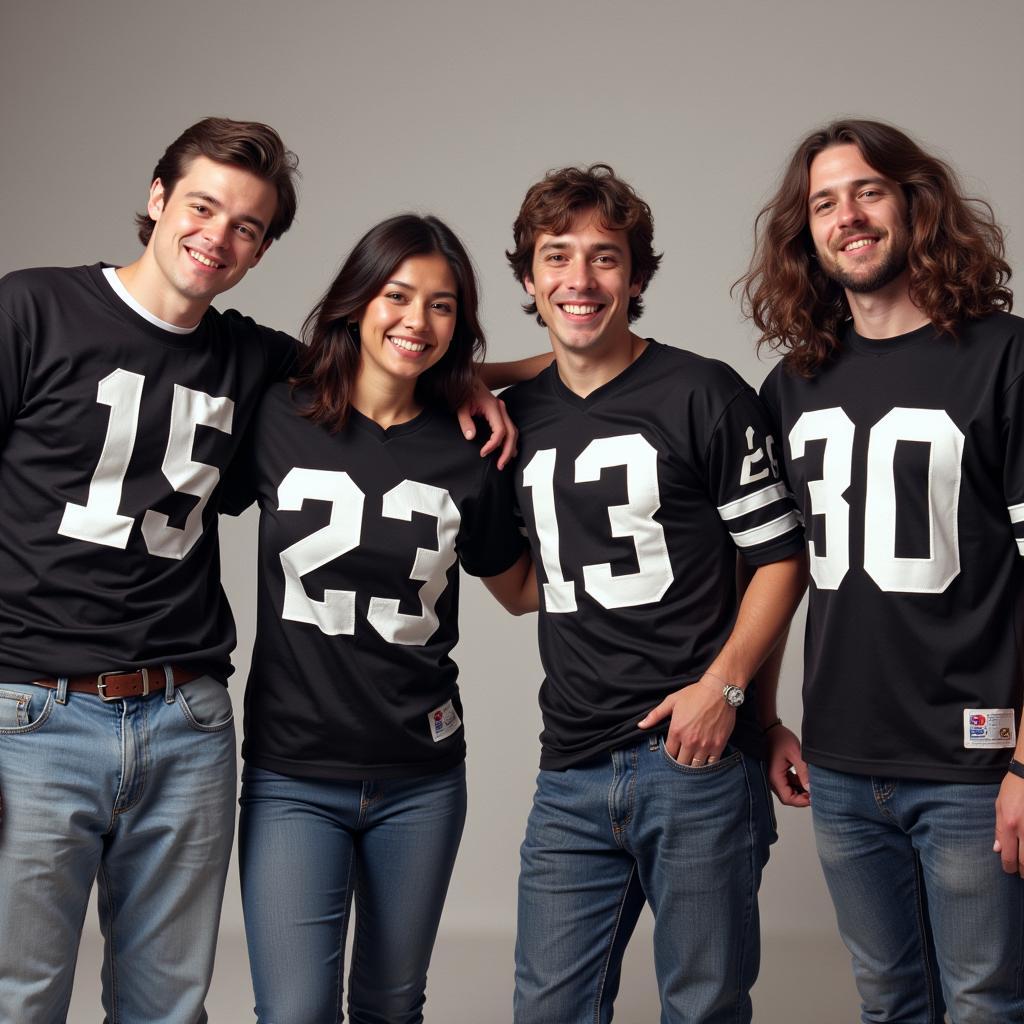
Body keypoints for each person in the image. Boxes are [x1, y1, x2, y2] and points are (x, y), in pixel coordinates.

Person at [0, 119, 514, 1024]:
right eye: (203, 206)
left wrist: (467, 377)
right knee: (22, 991)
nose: (219, 235)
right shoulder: (31, 310)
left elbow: (388, 363)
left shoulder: (257, 363)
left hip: (187, 716)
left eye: (248, 226)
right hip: (35, 708)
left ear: (265, 246)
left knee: (168, 1003)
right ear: (158, 199)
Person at [493, 164, 807, 1023]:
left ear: (636, 276)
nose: (580, 280)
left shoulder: (701, 392)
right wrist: (461, 383)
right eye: (557, 258)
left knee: (703, 1007)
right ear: (528, 277)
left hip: (695, 757)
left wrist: (727, 691)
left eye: (605, 258)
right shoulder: (517, 416)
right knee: (548, 1007)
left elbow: (781, 558)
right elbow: (525, 592)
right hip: (572, 764)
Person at [739, 117, 1024, 1022]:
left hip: (974, 764)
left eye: (868, 191)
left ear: (913, 203)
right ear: (806, 234)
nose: (848, 217)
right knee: (889, 1002)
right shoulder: (793, 386)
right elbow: (778, 569)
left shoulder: (1004, 357)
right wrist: (771, 712)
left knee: (986, 1002)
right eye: (825, 202)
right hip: (842, 762)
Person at [223, 214, 533, 1024]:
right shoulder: (275, 413)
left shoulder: (470, 444)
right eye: (398, 296)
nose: (416, 321)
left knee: (392, 1007)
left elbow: (518, 590)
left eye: (442, 306)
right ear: (357, 301)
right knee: (294, 1012)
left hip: (421, 777)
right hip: (293, 772)